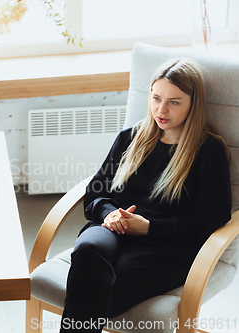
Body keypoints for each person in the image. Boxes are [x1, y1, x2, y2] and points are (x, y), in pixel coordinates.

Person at [60, 58, 232, 332]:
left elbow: (212, 218)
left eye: (174, 102)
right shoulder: (130, 138)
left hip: (166, 245)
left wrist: (149, 227)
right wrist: (110, 213)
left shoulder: (209, 151)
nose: (161, 110)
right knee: (88, 249)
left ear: (193, 104)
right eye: (156, 98)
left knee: (108, 281)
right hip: (113, 227)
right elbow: (95, 191)